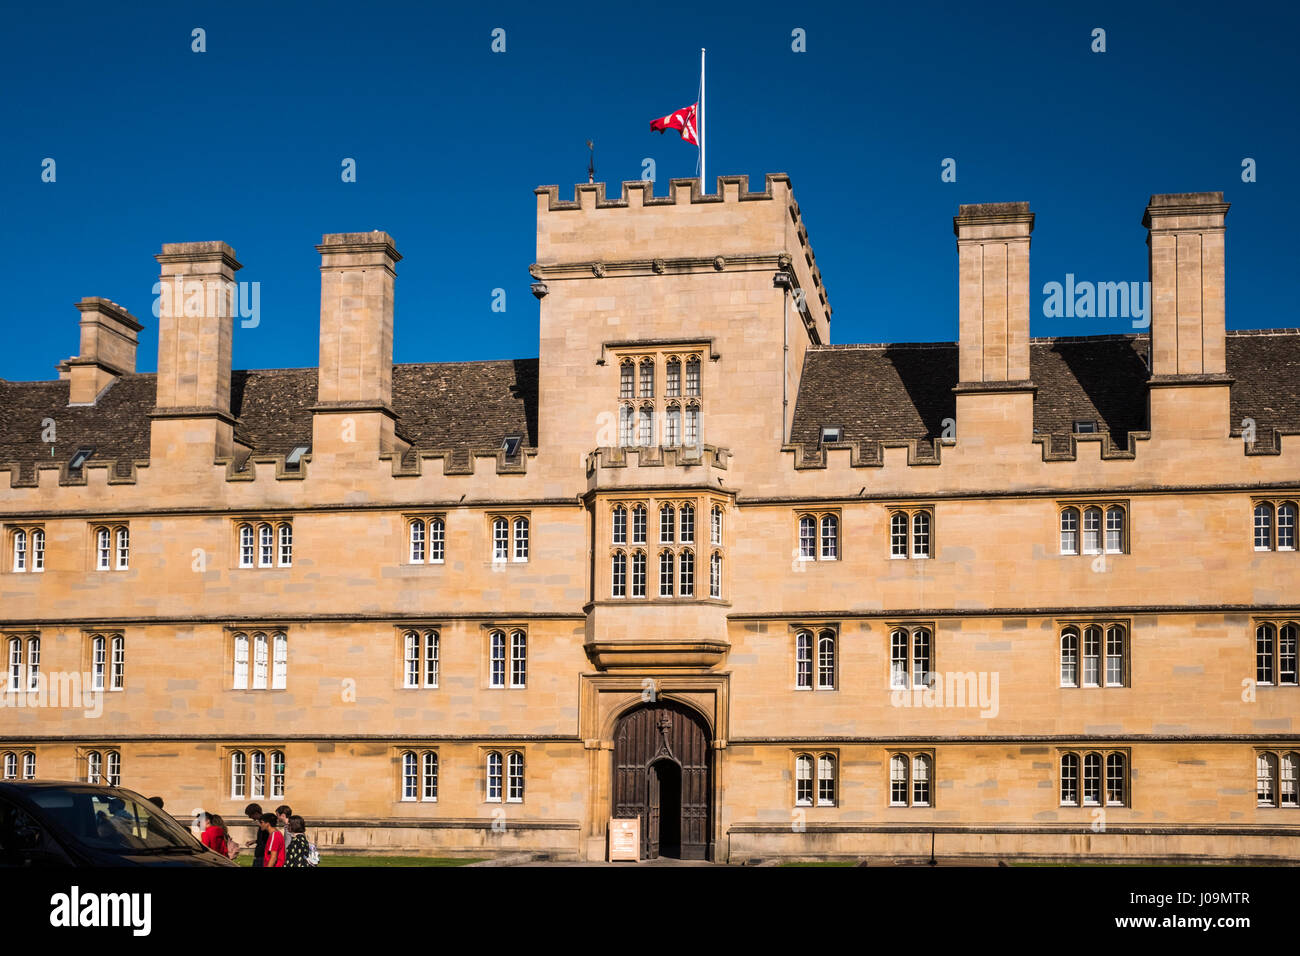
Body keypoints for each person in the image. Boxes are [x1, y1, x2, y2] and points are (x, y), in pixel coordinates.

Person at [245, 803, 268, 867]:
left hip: (263, 855)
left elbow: (272, 834)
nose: (249, 817)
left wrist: (262, 826)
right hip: (259, 855)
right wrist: (254, 841)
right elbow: (264, 838)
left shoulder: (265, 821)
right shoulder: (261, 821)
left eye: (250, 815)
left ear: (256, 813)